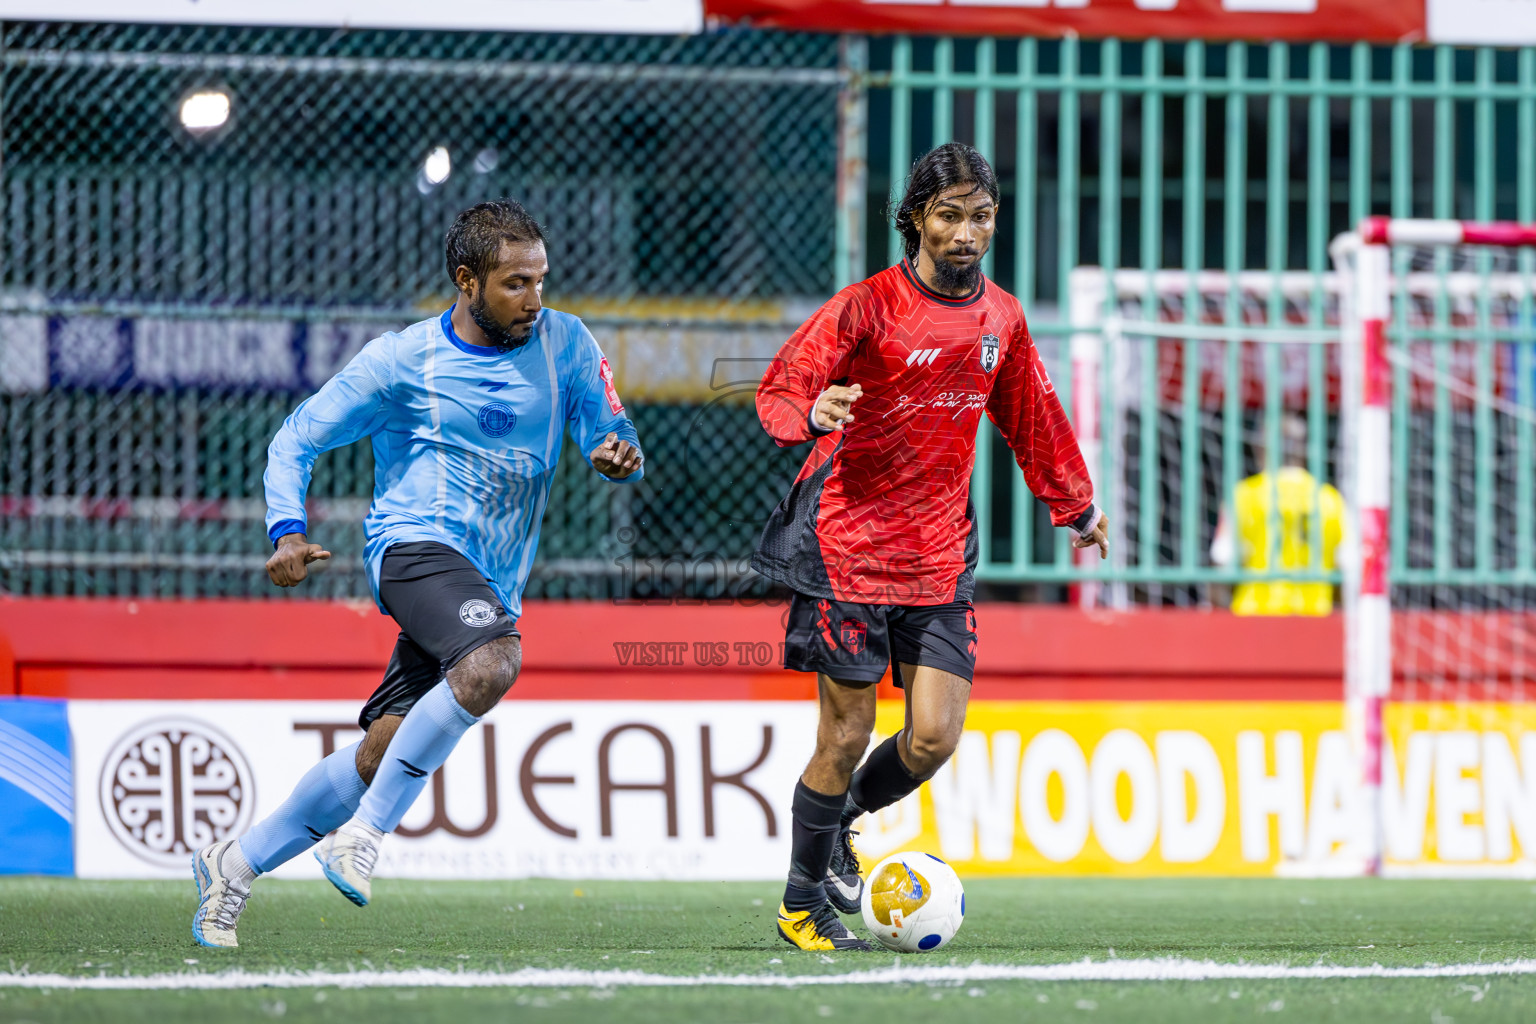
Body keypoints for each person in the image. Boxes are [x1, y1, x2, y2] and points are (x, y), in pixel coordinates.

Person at [189, 199, 644, 948]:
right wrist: (287, 528)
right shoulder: (402, 361)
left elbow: (609, 428)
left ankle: (231, 865)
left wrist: (617, 452)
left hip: (488, 583)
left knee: (381, 750)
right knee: (495, 660)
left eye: (541, 280)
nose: (535, 299)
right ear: (466, 281)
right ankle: (363, 837)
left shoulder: (565, 341)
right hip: (411, 548)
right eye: (514, 284)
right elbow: (295, 439)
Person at [752, 143, 1108, 952]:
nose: (965, 233)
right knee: (842, 737)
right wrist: (812, 414)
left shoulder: (1002, 318)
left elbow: (1032, 416)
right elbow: (783, 385)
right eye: (948, 215)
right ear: (915, 217)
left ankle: (839, 820)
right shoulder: (866, 308)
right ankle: (800, 904)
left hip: (940, 555)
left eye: (980, 216)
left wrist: (1077, 506)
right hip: (846, 547)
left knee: (934, 736)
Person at [1210, 414, 1344, 616]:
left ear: (1260, 449)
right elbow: (1346, 570)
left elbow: (1222, 563)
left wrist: (1219, 618)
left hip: (1255, 618)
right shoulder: (1330, 500)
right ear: (1304, 450)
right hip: (1314, 616)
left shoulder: (1244, 496)